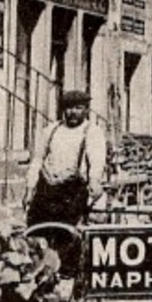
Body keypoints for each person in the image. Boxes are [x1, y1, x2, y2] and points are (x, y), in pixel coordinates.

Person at [23, 90, 107, 272]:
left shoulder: (92, 132)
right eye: (69, 108)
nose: (73, 112)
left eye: (78, 108)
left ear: (86, 110)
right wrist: (29, 189)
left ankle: (65, 277)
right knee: (36, 232)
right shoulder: (51, 130)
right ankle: (37, 275)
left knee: (67, 235)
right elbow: (37, 159)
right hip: (47, 188)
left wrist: (94, 180)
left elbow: (97, 160)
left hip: (72, 191)